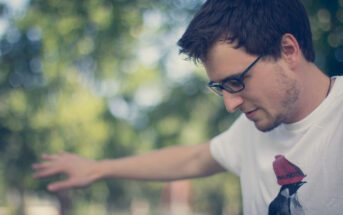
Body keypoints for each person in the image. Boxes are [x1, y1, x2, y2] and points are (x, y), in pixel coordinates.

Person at [32, 0, 343, 214]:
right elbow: (192, 159)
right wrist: (99, 168)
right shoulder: (252, 129)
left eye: (237, 80)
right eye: (220, 87)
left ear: (288, 50)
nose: (230, 104)